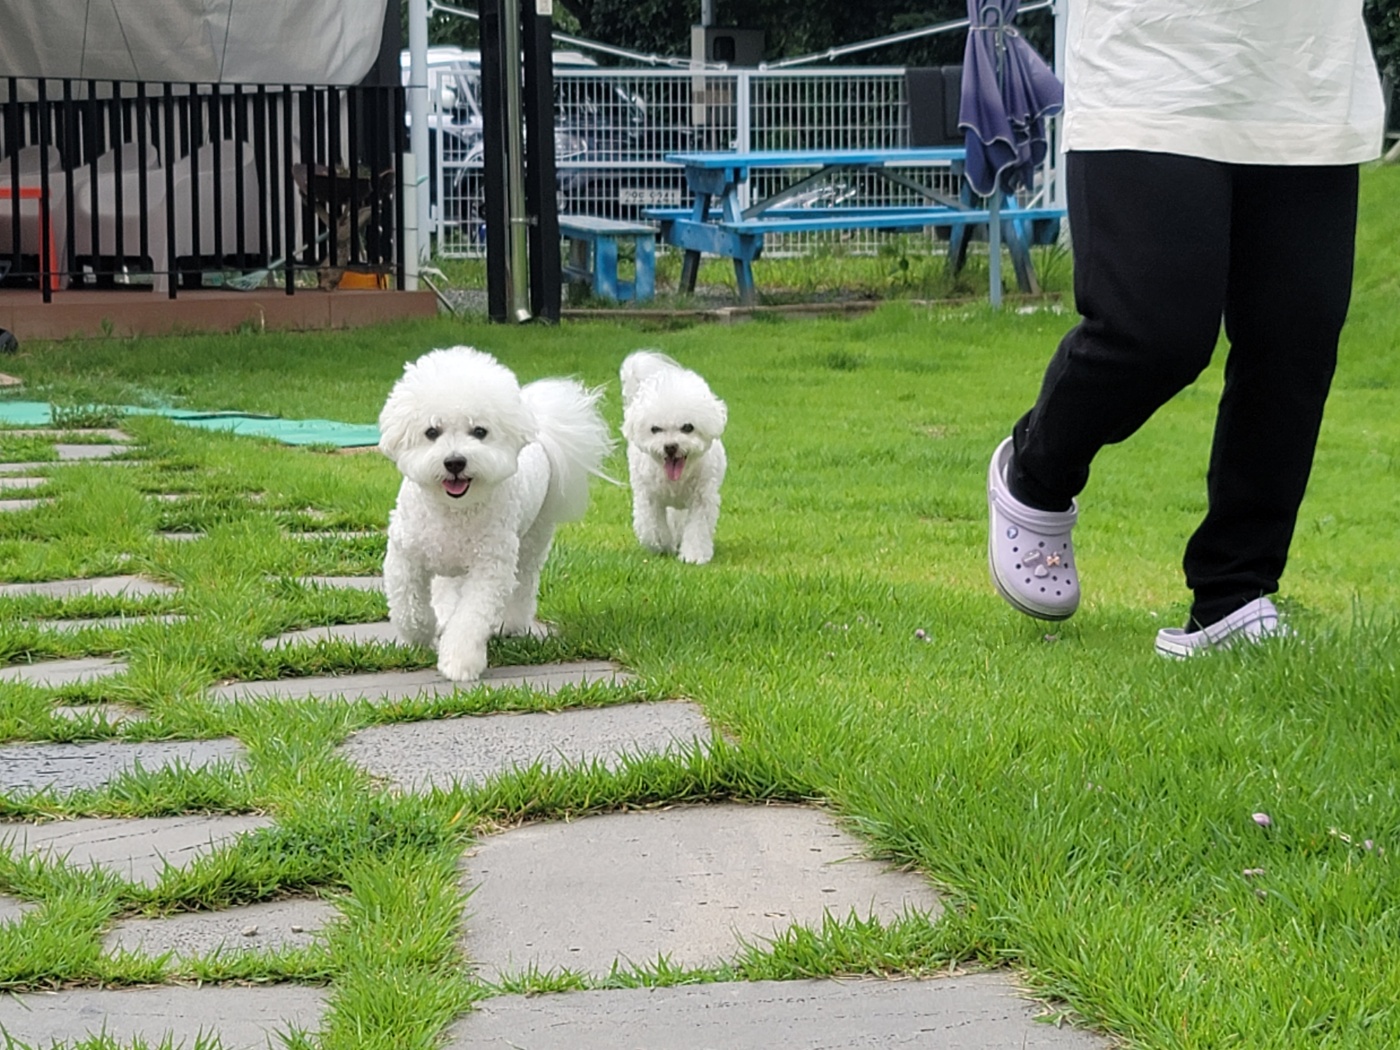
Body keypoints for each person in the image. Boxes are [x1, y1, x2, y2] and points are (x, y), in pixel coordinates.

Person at [987, 0, 1387, 657]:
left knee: (1295, 339)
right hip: (1153, 54)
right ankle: (1036, 472)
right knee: (1151, 332)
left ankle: (1235, 595)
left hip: (1302, 70)